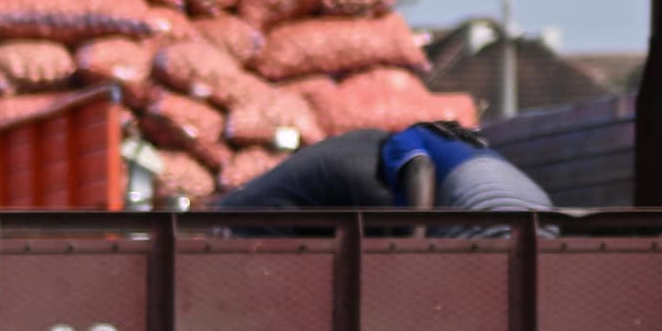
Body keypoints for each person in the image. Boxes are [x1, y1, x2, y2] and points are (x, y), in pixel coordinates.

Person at [214, 121, 552, 213]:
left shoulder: (405, 138)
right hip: (537, 200)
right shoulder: (471, 145)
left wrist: (414, 246)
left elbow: (419, 168)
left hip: (481, 203)